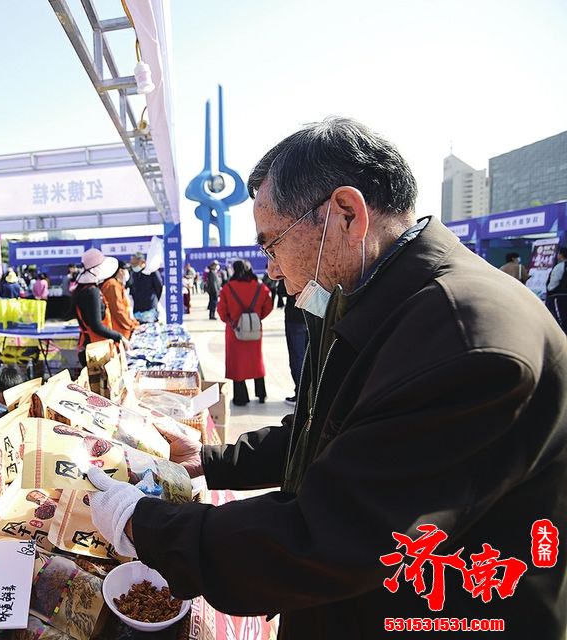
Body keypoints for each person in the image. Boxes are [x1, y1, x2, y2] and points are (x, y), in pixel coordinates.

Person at [85, 118, 567, 638]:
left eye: (273, 243)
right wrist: (209, 459)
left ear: (345, 214)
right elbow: (338, 432)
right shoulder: (386, 299)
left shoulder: (463, 342)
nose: (270, 268)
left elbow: (331, 537)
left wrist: (147, 525)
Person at [217, 260, 272, 404]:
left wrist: (231, 321)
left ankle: (241, 398)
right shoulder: (260, 287)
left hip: (235, 331)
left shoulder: (228, 288)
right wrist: (257, 318)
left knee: (237, 364)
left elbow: (222, 312)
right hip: (254, 329)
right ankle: (261, 393)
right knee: (256, 361)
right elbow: (269, 305)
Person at [73, 248, 127, 365]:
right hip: (96, 349)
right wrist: (119, 336)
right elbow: (96, 325)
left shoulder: (81, 289)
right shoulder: (92, 292)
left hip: (88, 346)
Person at [281, 282, 306, 404]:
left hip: (295, 317)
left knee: (297, 357)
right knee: (312, 356)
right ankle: (310, 394)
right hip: (315, 315)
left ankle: (301, 394)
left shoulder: (290, 267)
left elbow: (281, 291)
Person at [100, 260, 139, 340]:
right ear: (120, 271)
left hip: (123, 328)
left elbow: (125, 309)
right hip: (119, 330)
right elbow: (118, 310)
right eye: (126, 269)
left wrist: (134, 323)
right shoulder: (112, 285)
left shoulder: (117, 285)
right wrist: (132, 325)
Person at [128, 253, 163, 324]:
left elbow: (159, 287)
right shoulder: (133, 272)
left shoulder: (152, 271)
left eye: (135, 264)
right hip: (137, 308)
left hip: (150, 307)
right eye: (132, 264)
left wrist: (154, 299)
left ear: (142, 262)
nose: (133, 266)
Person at [545, 245, 567, 331]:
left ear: (561, 255)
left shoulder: (560, 266)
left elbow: (553, 284)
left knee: (561, 319)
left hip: (559, 297)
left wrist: (550, 291)